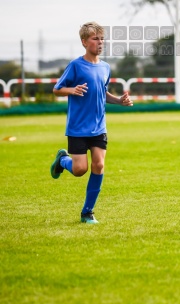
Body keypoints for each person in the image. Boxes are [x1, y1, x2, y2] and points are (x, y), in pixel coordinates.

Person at [50, 21, 133, 224]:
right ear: (84, 42)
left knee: (99, 164)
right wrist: (72, 90)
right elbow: (57, 88)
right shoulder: (76, 65)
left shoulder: (105, 68)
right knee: (80, 170)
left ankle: (87, 212)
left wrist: (119, 101)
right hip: (78, 128)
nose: (100, 42)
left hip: (99, 127)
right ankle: (62, 160)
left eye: (102, 39)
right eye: (96, 39)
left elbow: (102, 93)